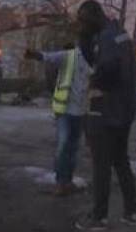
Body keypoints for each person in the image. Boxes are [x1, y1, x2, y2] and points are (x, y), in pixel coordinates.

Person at [75, 0, 136, 231]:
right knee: (120, 160)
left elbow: (108, 68)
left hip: (106, 109)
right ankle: (132, 211)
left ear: (94, 16)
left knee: (101, 163)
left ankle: (99, 216)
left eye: (83, 21)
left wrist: (95, 82)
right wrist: (84, 38)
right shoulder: (120, 33)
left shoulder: (105, 38)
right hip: (124, 108)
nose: (81, 25)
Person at [26, 40, 91, 197]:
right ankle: (61, 182)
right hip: (66, 110)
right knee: (63, 147)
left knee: (73, 148)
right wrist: (36, 55)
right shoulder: (70, 56)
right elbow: (49, 57)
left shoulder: (94, 59)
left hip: (81, 111)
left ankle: (67, 182)